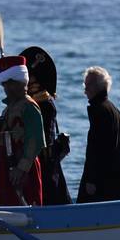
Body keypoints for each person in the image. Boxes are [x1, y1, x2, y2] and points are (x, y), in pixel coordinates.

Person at [77, 66, 120, 203]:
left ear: (99, 86)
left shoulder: (99, 110)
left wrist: (91, 179)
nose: (85, 90)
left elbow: (95, 147)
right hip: (115, 181)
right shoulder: (112, 108)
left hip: (100, 183)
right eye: (84, 85)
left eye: (88, 85)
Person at [19, 45, 72, 206]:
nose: (31, 85)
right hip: (38, 161)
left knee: (51, 196)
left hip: (46, 163)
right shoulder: (33, 103)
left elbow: (41, 139)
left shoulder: (45, 104)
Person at [0, 55, 45, 206]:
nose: (6, 88)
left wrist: (21, 169)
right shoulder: (8, 109)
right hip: (6, 167)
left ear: (20, 83)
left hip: (22, 170)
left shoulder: (29, 107)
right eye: (5, 85)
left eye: (9, 84)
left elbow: (36, 140)